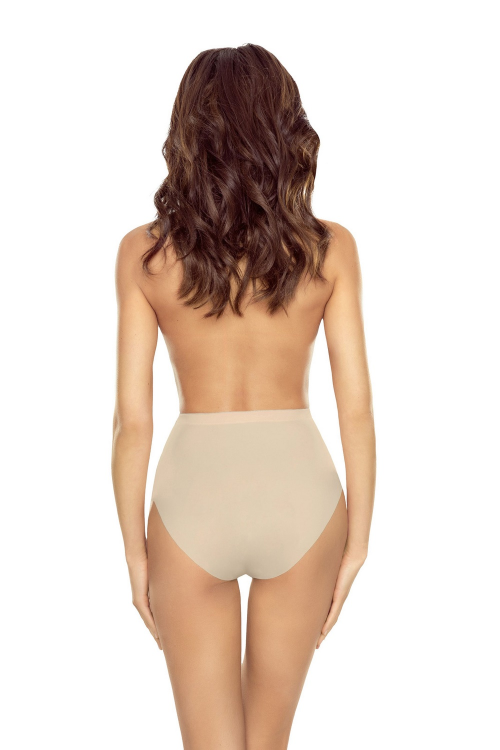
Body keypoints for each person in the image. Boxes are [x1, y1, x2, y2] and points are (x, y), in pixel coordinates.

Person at [111, 43, 376, 750]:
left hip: (190, 503)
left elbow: (132, 423)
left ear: (187, 133)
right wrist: (358, 542)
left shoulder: (145, 255)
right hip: (304, 501)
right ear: (283, 129)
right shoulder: (328, 250)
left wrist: (134, 554)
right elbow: (355, 408)